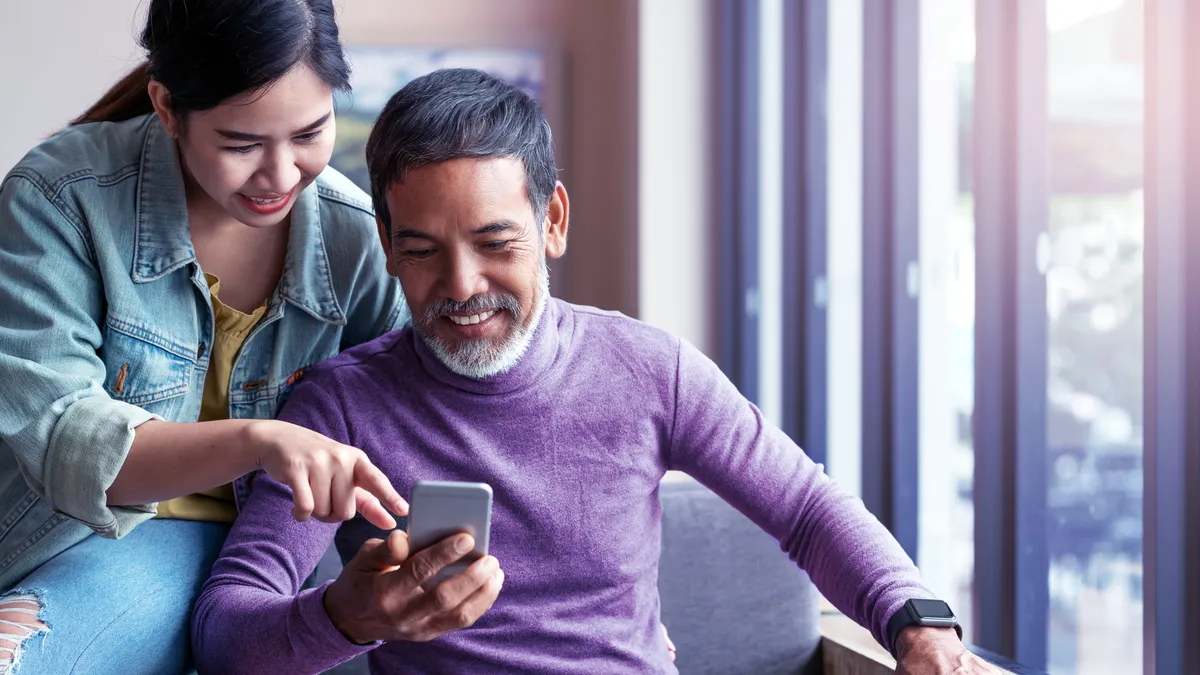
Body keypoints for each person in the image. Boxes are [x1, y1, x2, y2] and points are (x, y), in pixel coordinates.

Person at [192, 68, 997, 675]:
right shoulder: (340, 407)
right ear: (386, 244)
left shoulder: (648, 370)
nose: (463, 286)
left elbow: (807, 507)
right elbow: (226, 632)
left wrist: (917, 620)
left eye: (496, 242)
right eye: (423, 250)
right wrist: (348, 613)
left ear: (553, 221)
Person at [0, 1, 412, 672]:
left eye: (310, 132)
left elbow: (434, 417)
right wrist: (259, 441)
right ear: (166, 107)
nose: (280, 176)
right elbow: (65, 440)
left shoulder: (356, 239)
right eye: (242, 144)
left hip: (259, 561)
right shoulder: (62, 195)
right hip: (77, 535)